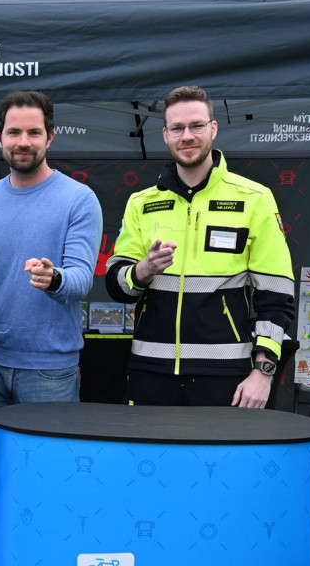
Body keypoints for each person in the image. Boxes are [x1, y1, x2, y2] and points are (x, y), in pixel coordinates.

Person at [0, 90, 102, 566]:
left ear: (50, 136)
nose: (23, 142)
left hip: (50, 369)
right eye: (14, 133)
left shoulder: (78, 200)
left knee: (51, 487)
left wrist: (55, 278)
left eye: (33, 132)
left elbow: (82, 278)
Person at [105, 85, 295, 407]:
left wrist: (263, 371)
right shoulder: (141, 202)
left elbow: (276, 295)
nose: (187, 136)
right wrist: (142, 271)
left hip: (224, 375)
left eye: (196, 126)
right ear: (165, 135)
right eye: (177, 128)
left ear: (213, 129)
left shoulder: (255, 199)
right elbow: (117, 286)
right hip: (150, 371)